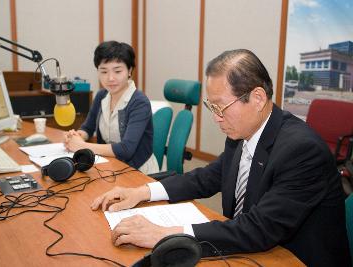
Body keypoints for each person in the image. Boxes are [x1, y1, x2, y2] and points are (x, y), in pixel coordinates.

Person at [90, 49, 351, 267]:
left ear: (258, 98)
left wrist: (164, 233)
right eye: (211, 107)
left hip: (293, 258)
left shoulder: (302, 151)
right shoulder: (243, 130)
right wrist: (142, 192)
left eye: (220, 107)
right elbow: (209, 176)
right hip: (251, 249)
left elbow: (259, 229)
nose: (216, 118)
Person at [64, 41, 158, 174]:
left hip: (138, 171)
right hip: (109, 165)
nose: (110, 78)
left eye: (118, 71)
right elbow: (88, 128)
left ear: (130, 71)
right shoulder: (102, 95)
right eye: (103, 71)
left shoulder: (139, 102)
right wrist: (77, 136)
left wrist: (82, 146)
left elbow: (126, 149)